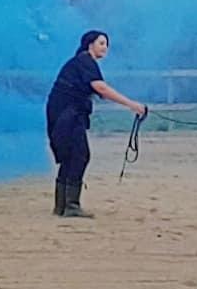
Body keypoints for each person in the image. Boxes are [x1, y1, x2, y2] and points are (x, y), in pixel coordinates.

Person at [46, 29, 146, 218]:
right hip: (68, 113)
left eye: (106, 44)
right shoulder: (86, 61)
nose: (105, 47)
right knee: (80, 154)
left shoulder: (81, 63)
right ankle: (71, 206)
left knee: (70, 155)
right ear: (89, 44)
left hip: (62, 111)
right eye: (101, 43)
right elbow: (101, 87)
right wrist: (132, 105)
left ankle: (62, 206)